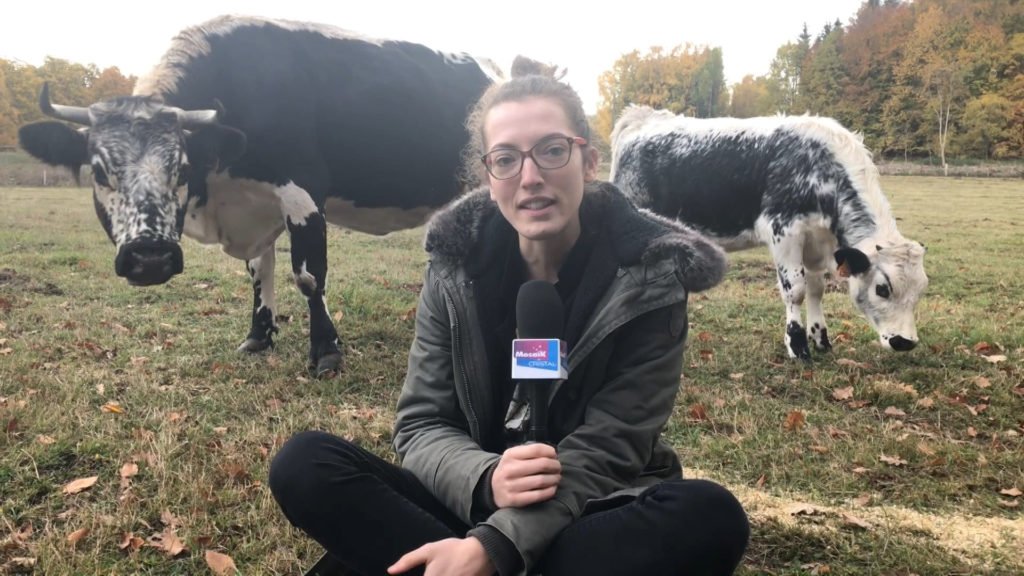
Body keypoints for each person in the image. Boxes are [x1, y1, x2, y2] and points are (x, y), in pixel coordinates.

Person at [269, 70, 750, 576]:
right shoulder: (453, 266)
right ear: (488, 178)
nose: (530, 176)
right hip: (469, 501)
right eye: (506, 159)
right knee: (305, 465)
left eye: (551, 150)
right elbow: (421, 424)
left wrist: (494, 547)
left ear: (588, 162)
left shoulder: (652, 275)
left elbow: (612, 447)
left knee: (710, 517)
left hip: (589, 506)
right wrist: (487, 478)